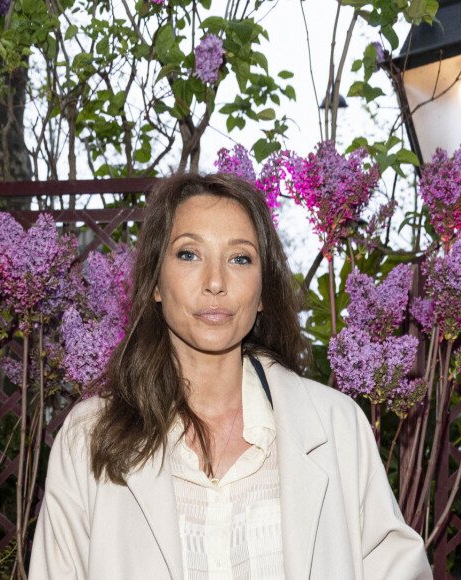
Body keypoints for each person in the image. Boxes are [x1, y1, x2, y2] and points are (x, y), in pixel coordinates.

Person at [28, 173, 432, 579]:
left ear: (262, 292)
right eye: (189, 254)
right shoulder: (87, 438)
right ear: (154, 282)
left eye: (240, 258)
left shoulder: (338, 427)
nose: (215, 283)